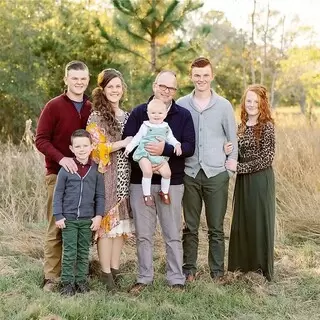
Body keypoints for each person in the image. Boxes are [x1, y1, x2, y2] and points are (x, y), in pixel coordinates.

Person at [123, 70, 195, 293]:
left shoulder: (183, 115)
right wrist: (147, 164)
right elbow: (129, 145)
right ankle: (144, 277)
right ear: (154, 86)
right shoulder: (138, 114)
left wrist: (163, 150)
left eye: (171, 88)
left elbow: (189, 147)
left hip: (171, 183)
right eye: (162, 86)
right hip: (140, 182)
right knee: (144, 234)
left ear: (175, 91)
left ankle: (176, 278)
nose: (166, 91)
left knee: (172, 233)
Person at [176, 57, 238, 282]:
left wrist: (228, 170)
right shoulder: (182, 104)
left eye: (205, 75)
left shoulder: (223, 105)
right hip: (190, 173)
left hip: (216, 174)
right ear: (191, 76)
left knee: (216, 227)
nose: (201, 79)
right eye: (197, 75)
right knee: (190, 226)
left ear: (212, 76)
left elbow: (233, 139)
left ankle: (217, 272)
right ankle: (189, 269)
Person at [35, 61, 91, 291]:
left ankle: (77, 274)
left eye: (83, 79)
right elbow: (41, 139)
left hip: (86, 177)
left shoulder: (91, 107)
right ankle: (51, 277)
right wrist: (61, 158)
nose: (79, 82)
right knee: (56, 224)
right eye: (74, 78)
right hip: (58, 175)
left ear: (87, 80)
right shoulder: (54, 106)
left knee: (81, 226)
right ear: (66, 79)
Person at [86, 68, 134, 291]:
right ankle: (105, 274)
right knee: (106, 227)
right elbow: (94, 150)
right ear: (103, 90)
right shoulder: (96, 116)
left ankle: (115, 269)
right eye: (110, 87)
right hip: (106, 176)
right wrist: (121, 144)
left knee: (121, 226)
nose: (115, 90)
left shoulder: (127, 115)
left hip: (126, 175)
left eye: (118, 86)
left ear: (122, 89)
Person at [225, 84, 276, 281]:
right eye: (249, 101)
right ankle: (242, 267)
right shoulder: (241, 126)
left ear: (262, 103)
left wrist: (240, 168)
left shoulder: (267, 127)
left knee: (258, 221)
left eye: (256, 101)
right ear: (244, 103)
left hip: (260, 181)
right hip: (243, 181)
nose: (252, 104)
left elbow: (267, 158)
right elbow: (236, 154)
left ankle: (260, 269)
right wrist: (227, 147)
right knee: (243, 220)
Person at [53, 129, 105, 295]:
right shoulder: (66, 170)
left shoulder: (96, 170)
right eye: (78, 146)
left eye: (85, 145)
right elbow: (58, 194)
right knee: (69, 252)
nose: (81, 149)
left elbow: (100, 196)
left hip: (87, 220)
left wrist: (98, 216)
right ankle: (67, 283)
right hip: (68, 220)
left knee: (83, 252)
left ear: (91, 147)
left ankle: (81, 281)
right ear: (71, 148)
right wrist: (58, 215)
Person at [124, 98, 182, 206]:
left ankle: (164, 192)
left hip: (159, 156)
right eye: (153, 113)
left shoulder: (166, 127)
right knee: (147, 171)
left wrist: (177, 144)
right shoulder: (145, 126)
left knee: (167, 173)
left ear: (165, 114)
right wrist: (129, 148)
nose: (156, 115)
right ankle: (147, 195)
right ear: (148, 113)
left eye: (160, 113)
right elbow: (136, 138)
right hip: (144, 153)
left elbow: (171, 138)